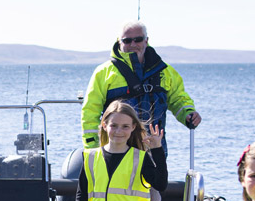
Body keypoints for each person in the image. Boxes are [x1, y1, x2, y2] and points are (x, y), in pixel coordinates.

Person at [81, 21, 202, 153]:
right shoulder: (103, 73)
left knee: (156, 174)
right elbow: (90, 112)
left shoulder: (165, 71)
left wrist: (188, 113)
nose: (133, 44)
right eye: (127, 40)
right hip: (117, 151)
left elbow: (178, 99)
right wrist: (92, 150)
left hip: (155, 148)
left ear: (146, 40)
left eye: (138, 39)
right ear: (119, 41)